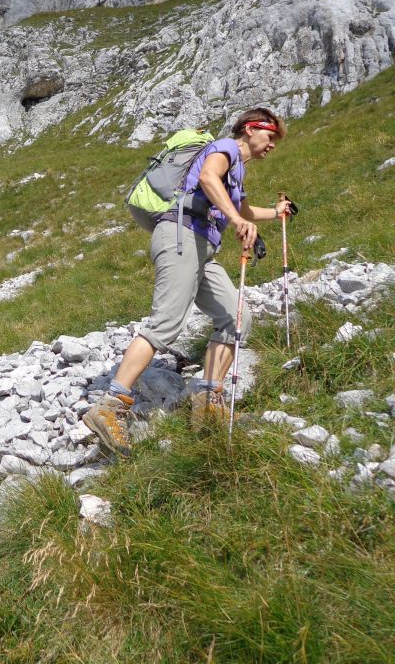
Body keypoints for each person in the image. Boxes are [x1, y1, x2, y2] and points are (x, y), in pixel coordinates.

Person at [83, 107, 291, 456]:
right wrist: (236, 221)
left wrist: (276, 212)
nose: (272, 146)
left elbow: (244, 209)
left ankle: (208, 398)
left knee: (235, 317)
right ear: (249, 130)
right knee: (166, 324)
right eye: (269, 137)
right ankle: (110, 405)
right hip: (180, 236)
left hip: (202, 248)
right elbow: (209, 180)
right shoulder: (224, 148)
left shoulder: (237, 170)